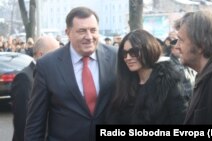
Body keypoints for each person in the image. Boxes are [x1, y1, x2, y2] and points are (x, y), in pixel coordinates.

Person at [24, 7, 117, 141]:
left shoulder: (115, 57)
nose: (89, 37)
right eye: (82, 31)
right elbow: (35, 120)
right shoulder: (47, 65)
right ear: (68, 32)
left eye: (93, 30)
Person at [105, 29, 188, 124]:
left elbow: (179, 119)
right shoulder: (121, 84)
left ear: (148, 50)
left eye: (134, 52)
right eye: (124, 53)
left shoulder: (168, 82)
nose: (128, 58)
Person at [11, 36, 59, 141]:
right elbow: (23, 119)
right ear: (41, 55)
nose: (59, 58)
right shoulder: (24, 78)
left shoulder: (49, 75)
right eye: (55, 54)